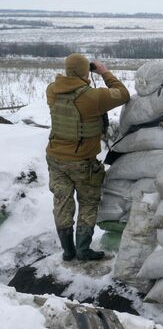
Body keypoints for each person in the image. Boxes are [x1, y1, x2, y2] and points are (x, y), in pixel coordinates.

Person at [46, 53, 130, 261]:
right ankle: (83, 250)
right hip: (83, 162)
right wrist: (103, 72)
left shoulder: (52, 90)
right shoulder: (94, 97)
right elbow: (123, 93)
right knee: (88, 203)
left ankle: (68, 251)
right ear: (86, 71)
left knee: (62, 203)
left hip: (55, 160)